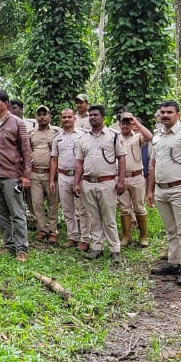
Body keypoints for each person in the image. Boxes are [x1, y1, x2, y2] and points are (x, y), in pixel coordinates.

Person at [148, 101, 181, 285]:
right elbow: (153, 164)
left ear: (178, 114)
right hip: (161, 189)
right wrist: (150, 189)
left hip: (180, 188)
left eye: (169, 112)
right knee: (171, 229)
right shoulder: (157, 136)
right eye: (162, 112)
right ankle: (174, 262)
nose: (165, 115)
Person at [0, 90, 32, 262]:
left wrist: (26, 176)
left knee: (17, 213)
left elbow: (26, 150)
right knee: (1, 214)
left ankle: (22, 249)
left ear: (5, 103)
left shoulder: (17, 123)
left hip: (11, 176)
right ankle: (9, 246)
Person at [74, 105, 127, 263]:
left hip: (107, 182)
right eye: (90, 115)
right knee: (94, 218)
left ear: (103, 117)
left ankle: (115, 249)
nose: (92, 117)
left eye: (95, 115)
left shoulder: (114, 136)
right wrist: (76, 183)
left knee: (109, 218)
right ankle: (97, 248)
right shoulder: (83, 138)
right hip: (88, 183)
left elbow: (122, 158)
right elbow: (79, 163)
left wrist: (121, 181)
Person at [51, 108, 90, 249]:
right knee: (67, 209)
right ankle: (72, 237)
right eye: (64, 117)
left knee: (82, 209)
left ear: (74, 118)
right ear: (61, 119)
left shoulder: (83, 135)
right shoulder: (57, 137)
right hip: (62, 176)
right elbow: (54, 159)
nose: (66, 119)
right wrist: (51, 180)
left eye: (69, 117)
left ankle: (85, 238)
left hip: (78, 176)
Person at [117, 112, 153, 248]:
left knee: (139, 207)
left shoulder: (137, 137)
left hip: (136, 177)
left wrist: (135, 121)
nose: (125, 125)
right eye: (123, 122)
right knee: (124, 209)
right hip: (121, 177)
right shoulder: (115, 137)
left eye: (128, 122)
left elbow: (149, 137)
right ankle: (126, 236)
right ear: (119, 124)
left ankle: (143, 236)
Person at [28, 106, 59, 243]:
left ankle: (53, 230)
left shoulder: (56, 132)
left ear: (49, 116)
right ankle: (42, 229)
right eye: (39, 115)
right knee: (37, 203)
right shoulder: (31, 133)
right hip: (35, 173)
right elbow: (27, 152)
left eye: (44, 114)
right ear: (36, 117)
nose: (42, 117)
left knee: (53, 203)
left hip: (50, 174)